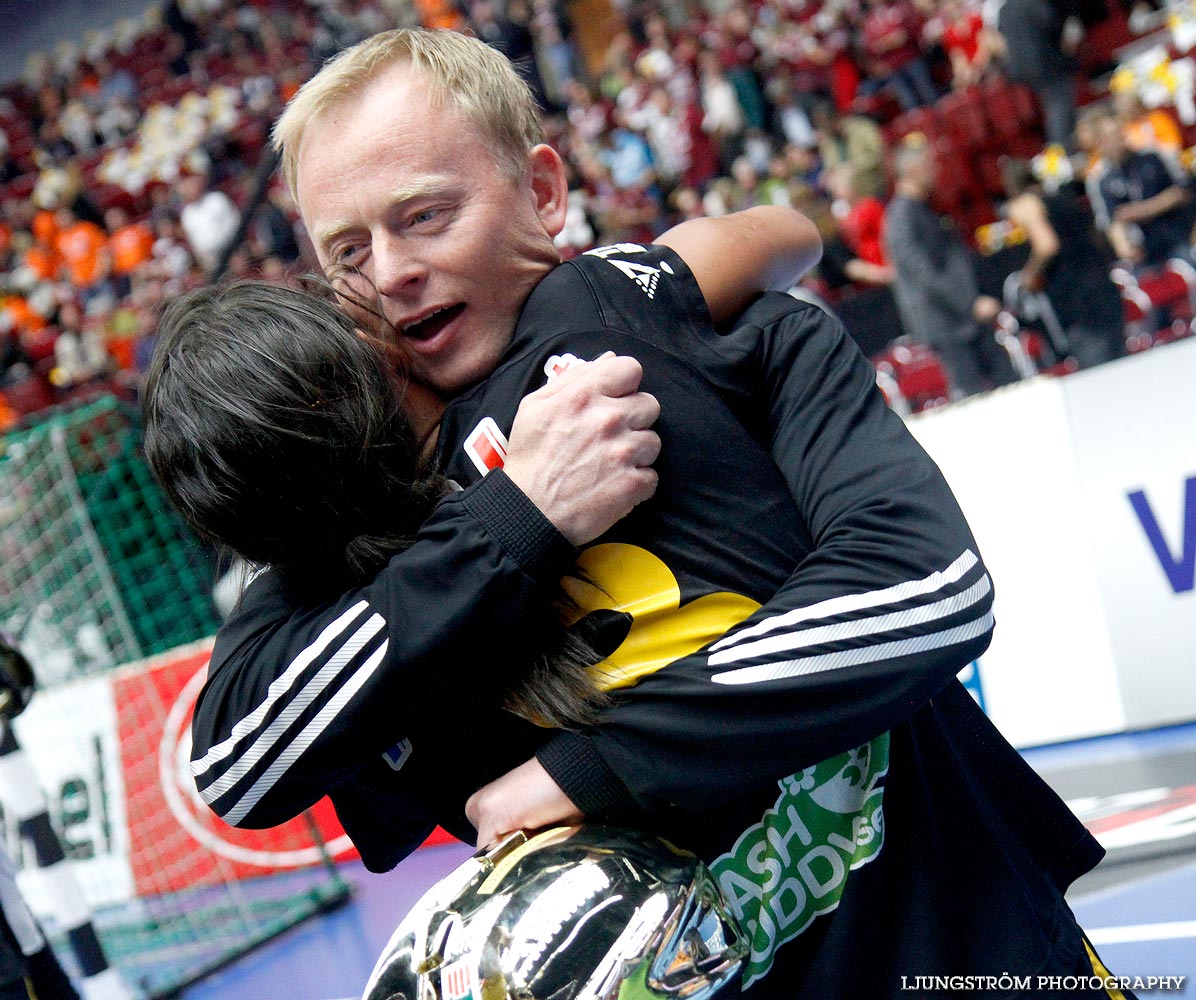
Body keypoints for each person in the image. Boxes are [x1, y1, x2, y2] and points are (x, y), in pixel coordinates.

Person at [169, 27, 1122, 998]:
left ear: (542, 194)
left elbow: (929, 593)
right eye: (347, 253)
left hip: (973, 953)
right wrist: (512, 518)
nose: (391, 272)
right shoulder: (363, 525)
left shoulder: (698, 330)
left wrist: (592, 767)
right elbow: (236, 761)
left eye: (423, 216)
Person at [884, 136, 1018, 398]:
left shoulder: (921, 209)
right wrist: (969, 303)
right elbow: (923, 273)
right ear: (912, 170)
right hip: (948, 323)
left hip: (960, 319)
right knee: (973, 396)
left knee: (1006, 382)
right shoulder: (902, 216)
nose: (935, 171)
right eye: (929, 165)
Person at [1001, 158, 1126, 370]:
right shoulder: (1061, 197)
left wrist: (1029, 275)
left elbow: (1047, 245)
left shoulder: (1028, 204)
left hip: (1077, 303)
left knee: (1100, 374)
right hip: (1104, 289)